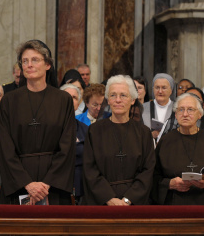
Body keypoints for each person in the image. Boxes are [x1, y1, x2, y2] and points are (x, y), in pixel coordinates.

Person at [0, 39, 76, 205]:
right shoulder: (9, 101)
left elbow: (67, 146)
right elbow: (5, 146)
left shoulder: (63, 100)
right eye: (24, 61)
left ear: (48, 65)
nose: (28, 65)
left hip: (53, 184)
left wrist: (46, 184)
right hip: (18, 181)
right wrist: (27, 183)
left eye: (35, 60)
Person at [82, 75, 155, 205]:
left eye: (123, 95)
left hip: (135, 203)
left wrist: (128, 199)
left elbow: (148, 170)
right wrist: (109, 198)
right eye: (113, 95)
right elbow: (90, 169)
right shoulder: (95, 130)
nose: (117, 100)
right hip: (102, 202)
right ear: (108, 100)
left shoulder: (143, 132)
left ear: (133, 100)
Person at [152, 93, 204, 205]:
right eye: (181, 110)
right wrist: (169, 183)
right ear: (175, 115)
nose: (185, 114)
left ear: (199, 114)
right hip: (174, 204)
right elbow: (153, 175)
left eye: (190, 109)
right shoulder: (166, 141)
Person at [60, 83, 88, 205]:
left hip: (80, 188)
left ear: (78, 104)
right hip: (57, 187)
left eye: (74, 98)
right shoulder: (49, 128)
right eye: (66, 96)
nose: (70, 100)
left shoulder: (85, 130)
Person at [142, 73, 176, 142]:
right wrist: (150, 136)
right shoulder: (142, 108)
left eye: (164, 88)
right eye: (157, 87)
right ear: (153, 89)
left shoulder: (178, 109)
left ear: (171, 91)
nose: (160, 91)